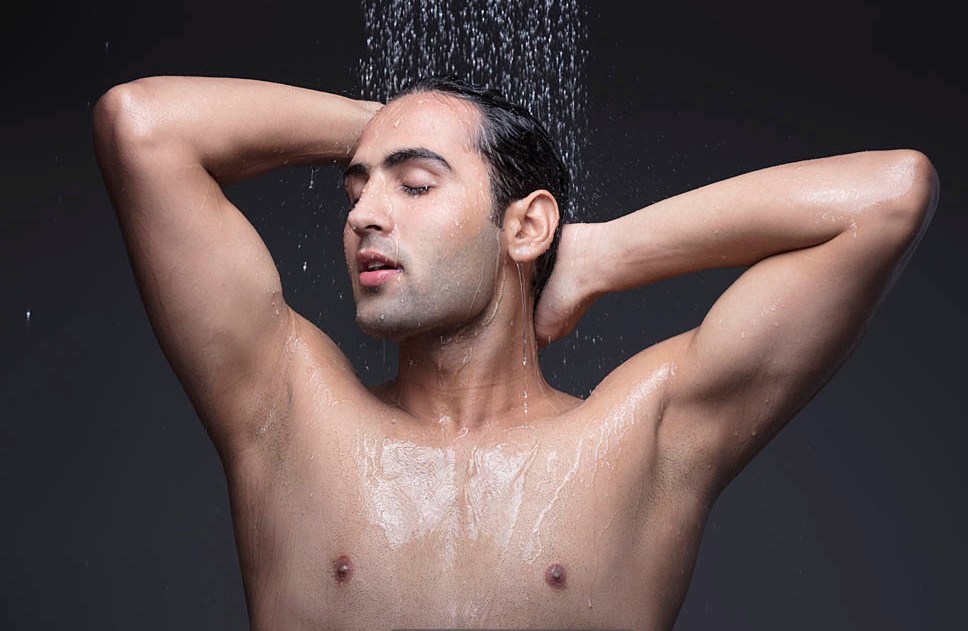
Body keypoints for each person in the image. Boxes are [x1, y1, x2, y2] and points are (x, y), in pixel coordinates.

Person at [92, 74, 938, 630]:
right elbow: (143, 126)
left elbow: (890, 196)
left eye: (414, 183)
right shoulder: (288, 407)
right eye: (357, 186)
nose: (363, 215)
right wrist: (397, 122)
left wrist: (608, 253)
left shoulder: (641, 437)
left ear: (527, 225)